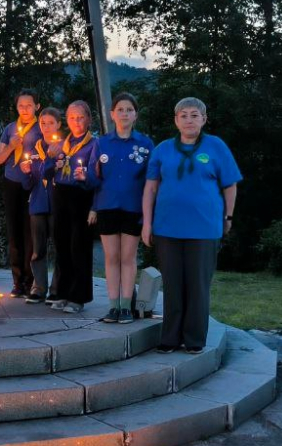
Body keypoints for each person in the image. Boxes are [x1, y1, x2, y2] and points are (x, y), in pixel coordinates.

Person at [142, 97, 241, 353]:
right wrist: (146, 223)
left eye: (194, 115)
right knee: (173, 284)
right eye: (183, 115)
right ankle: (170, 337)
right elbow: (150, 188)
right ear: (176, 120)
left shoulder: (216, 146)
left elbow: (230, 186)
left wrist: (228, 217)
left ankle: (194, 339)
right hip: (167, 228)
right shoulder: (163, 149)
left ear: (204, 119)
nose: (189, 120)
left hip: (204, 228)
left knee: (197, 285)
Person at [88, 93, 155, 324]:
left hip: (133, 208)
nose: (124, 113)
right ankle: (113, 306)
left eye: (129, 110)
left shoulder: (145, 144)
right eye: (120, 109)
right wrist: (87, 178)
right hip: (107, 206)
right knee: (111, 257)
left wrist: (149, 214)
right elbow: (93, 179)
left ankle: (127, 306)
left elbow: (152, 181)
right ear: (112, 114)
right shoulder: (102, 143)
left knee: (127, 257)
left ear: (135, 114)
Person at [43, 100, 98, 313]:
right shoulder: (61, 144)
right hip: (61, 196)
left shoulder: (94, 144)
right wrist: (50, 159)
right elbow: (45, 175)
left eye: (81, 117)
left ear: (88, 119)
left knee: (79, 247)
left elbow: (98, 176)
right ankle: (62, 292)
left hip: (82, 196)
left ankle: (79, 297)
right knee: (62, 246)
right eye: (72, 117)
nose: (76, 121)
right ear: (67, 120)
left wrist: (86, 177)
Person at [0, 89, 42, 297]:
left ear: (37, 107)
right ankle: (17, 281)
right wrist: (11, 146)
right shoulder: (10, 129)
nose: (25, 109)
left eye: (29, 105)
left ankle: (31, 280)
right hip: (12, 182)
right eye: (21, 105)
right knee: (14, 232)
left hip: (34, 184)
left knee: (30, 233)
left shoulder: (41, 128)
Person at [19, 106, 63, 304]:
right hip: (37, 204)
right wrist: (26, 172)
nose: (46, 127)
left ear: (59, 125)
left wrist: (52, 159)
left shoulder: (64, 148)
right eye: (43, 123)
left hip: (57, 204)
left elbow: (57, 176)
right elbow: (27, 185)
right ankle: (39, 287)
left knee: (60, 248)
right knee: (38, 249)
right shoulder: (32, 149)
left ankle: (57, 288)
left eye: (51, 123)